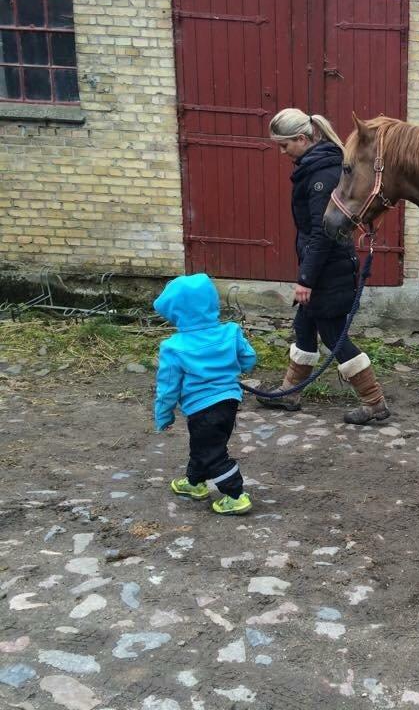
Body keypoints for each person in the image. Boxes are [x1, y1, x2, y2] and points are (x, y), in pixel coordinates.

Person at [256, 108, 390, 424]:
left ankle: (374, 402)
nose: (282, 151)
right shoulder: (317, 166)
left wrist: (306, 279)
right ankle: (289, 394)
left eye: (285, 145)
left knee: (333, 335)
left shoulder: (322, 175)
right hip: (324, 268)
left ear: (302, 138)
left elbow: (323, 232)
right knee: (305, 326)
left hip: (329, 270)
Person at [154, 273, 257, 516]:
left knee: (213, 452)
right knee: (203, 445)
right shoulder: (230, 332)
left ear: (176, 312)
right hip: (229, 402)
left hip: (201, 409)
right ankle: (194, 483)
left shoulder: (174, 346)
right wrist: (230, 367)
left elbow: (168, 387)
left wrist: (163, 414)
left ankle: (235, 495)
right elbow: (249, 358)